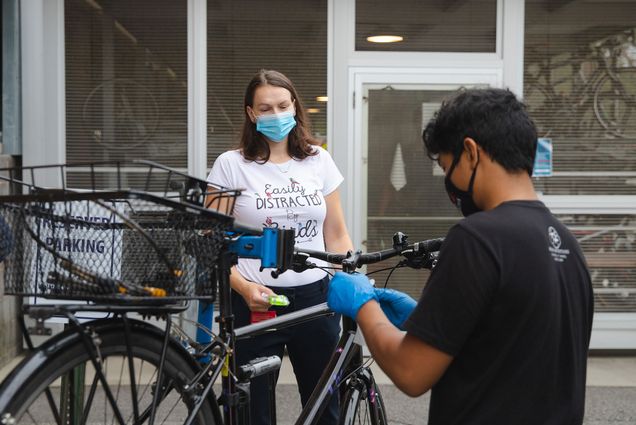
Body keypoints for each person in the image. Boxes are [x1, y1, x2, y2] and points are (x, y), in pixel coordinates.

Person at [327, 88, 594, 424]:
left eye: (444, 165)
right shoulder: (566, 242)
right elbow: (514, 343)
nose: (448, 180)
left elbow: (411, 372)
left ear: (470, 152)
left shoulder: (476, 239)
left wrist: (363, 305)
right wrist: (424, 322)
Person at [207, 69, 353, 425]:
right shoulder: (231, 165)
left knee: (324, 411)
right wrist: (241, 287)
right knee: (250, 413)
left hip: (316, 301)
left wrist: (345, 279)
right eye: (266, 108)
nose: (276, 114)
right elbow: (210, 242)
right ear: (251, 113)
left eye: (283, 106)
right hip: (255, 302)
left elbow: (336, 232)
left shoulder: (318, 159)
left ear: (295, 108)